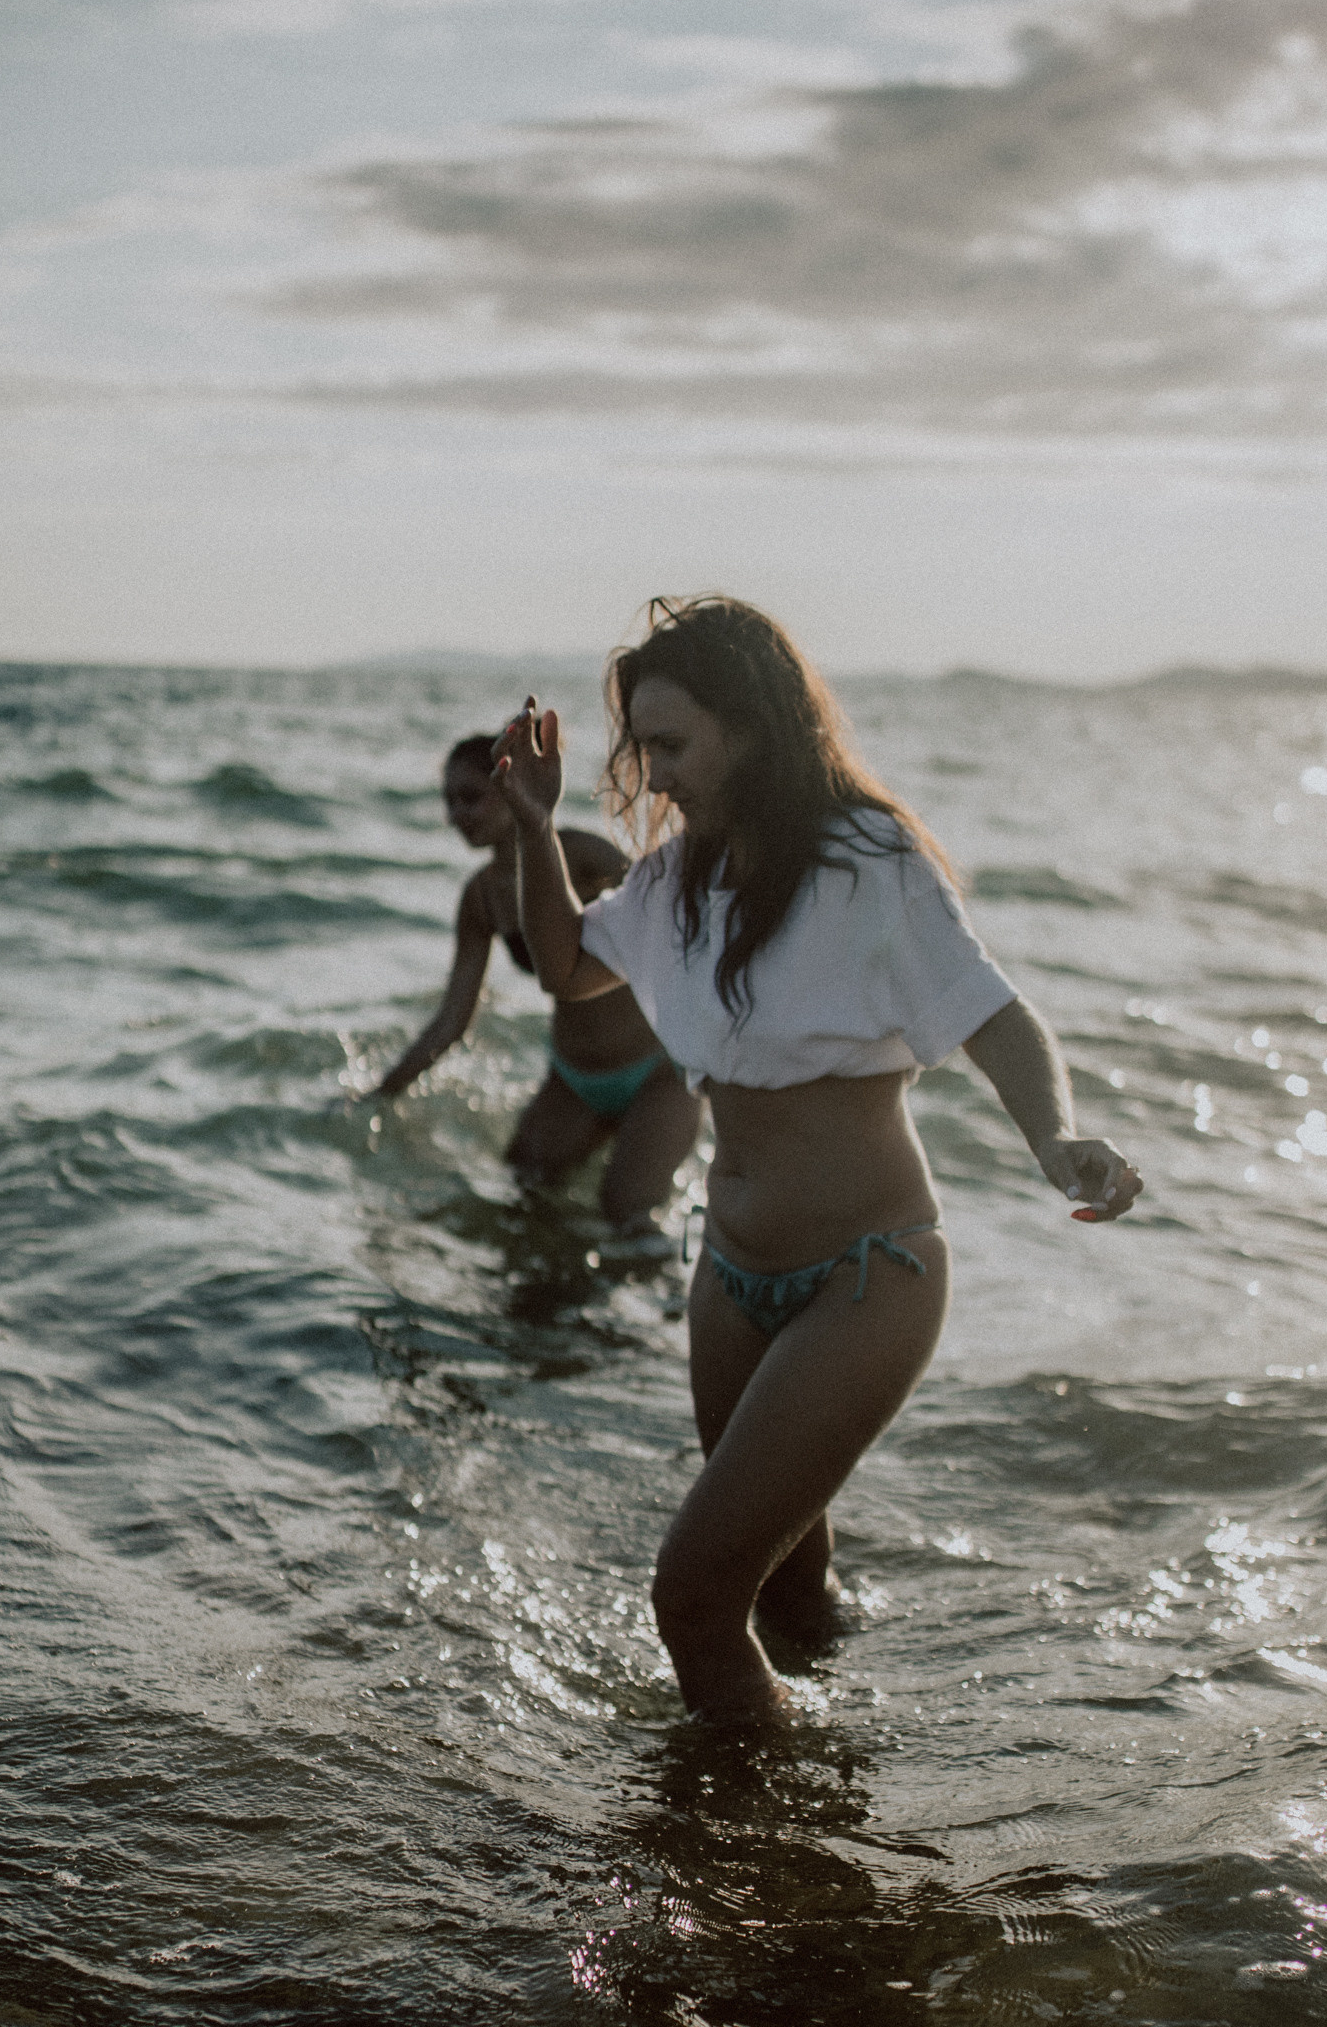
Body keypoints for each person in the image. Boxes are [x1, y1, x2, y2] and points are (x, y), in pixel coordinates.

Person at [492, 597, 1143, 1728]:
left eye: (673, 745)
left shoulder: (865, 863)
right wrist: (532, 826)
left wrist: (1054, 1137)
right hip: (730, 1280)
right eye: (638, 748)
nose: (652, 775)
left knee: (693, 1594)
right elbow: (562, 964)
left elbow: (990, 1014)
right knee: (784, 1580)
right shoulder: (677, 882)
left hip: (865, 1277)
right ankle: (838, 1780)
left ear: (751, 727)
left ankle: (754, 1825)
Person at [368, 733, 702, 1232]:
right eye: (449, 801)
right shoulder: (480, 899)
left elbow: (674, 918)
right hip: (575, 1080)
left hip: (658, 1072)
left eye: (470, 797)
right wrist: (380, 1094)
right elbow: (452, 1019)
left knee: (627, 1218)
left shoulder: (580, 854)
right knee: (523, 1198)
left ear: (509, 789)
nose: (457, 815)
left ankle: (663, 1309)